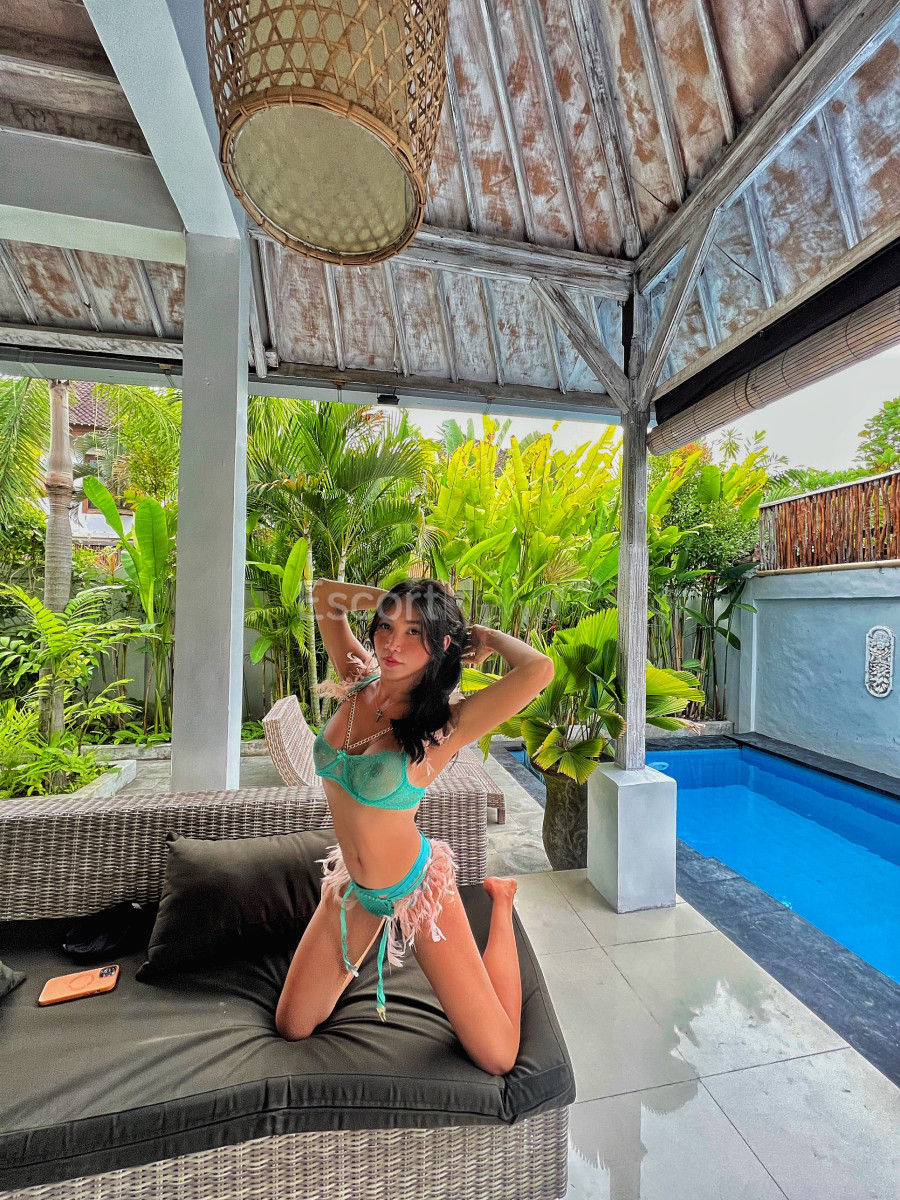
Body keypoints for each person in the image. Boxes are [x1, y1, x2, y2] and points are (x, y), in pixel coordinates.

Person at [275, 577, 554, 1075]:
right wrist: (394, 602)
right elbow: (324, 596)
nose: (392, 644)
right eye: (386, 626)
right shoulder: (357, 678)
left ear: (440, 645)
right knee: (292, 1025)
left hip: (417, 888)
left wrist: (483, 637)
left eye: (413, 633)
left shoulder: (445, 725)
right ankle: (364, 941)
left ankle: (502, 901)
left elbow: (539, 670)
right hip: (355, 888)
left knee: (498, 1056)